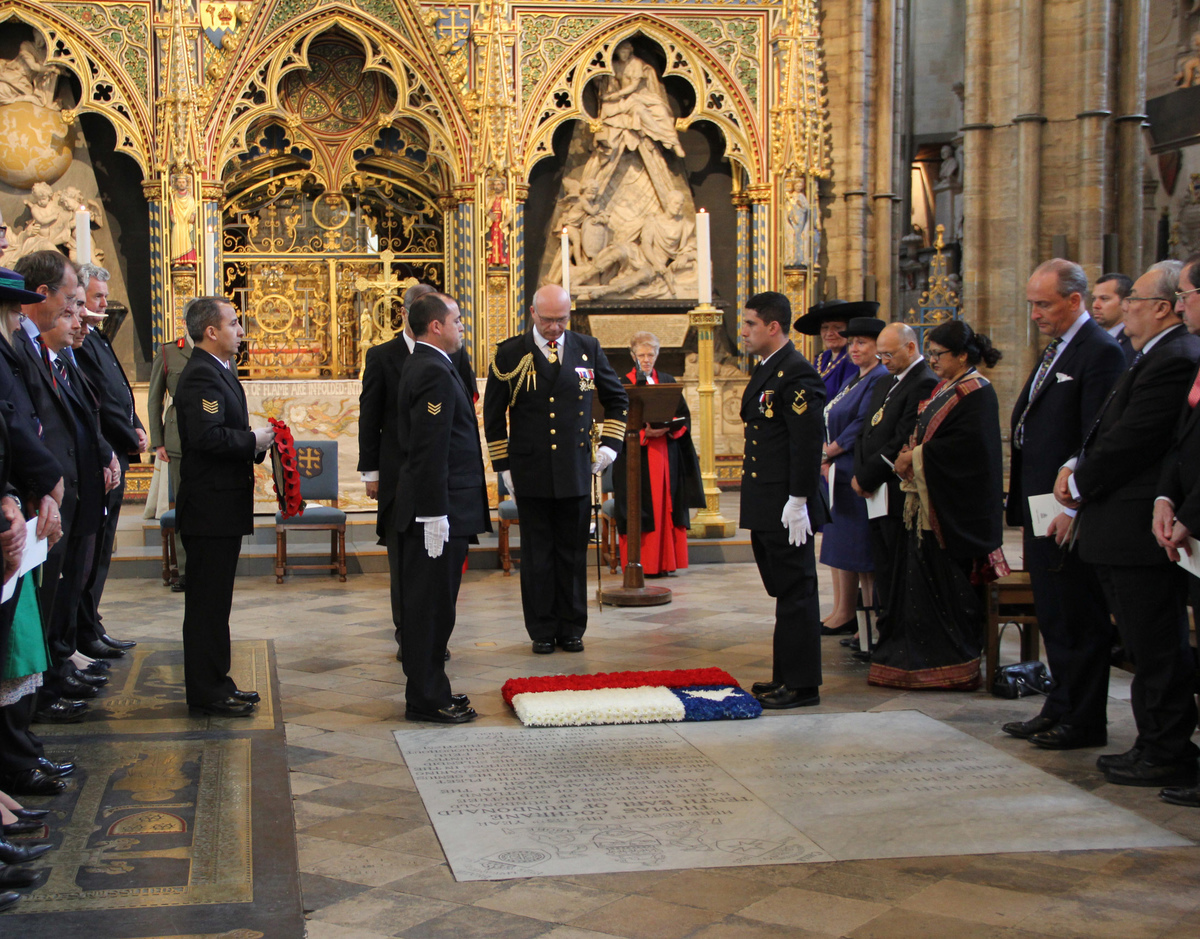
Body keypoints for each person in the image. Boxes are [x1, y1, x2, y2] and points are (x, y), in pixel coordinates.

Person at [1059, 261, 1200, 787]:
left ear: (1160, 308)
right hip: (1123, 520)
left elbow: (1136, 438)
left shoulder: (1175, 357)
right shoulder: (1153, 354)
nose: (1124, 308)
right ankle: (1153, 742)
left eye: (1133, 299)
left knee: (1156, 645)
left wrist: (1080, 482)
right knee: (1142, 645)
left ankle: (1166, 748)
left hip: (1136, 525)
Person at [1001, 259, 1126, 750]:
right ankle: (1059, 705)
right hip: (1040, 504)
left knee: (1078, 615)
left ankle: (1084, 719)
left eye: (1043, 304)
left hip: (1067, 506)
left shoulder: (1100, 350)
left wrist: (1074, 506)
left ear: (1075, 300)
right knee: (1053, 612)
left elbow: (1097, 433)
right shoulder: (1058, 348)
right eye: (1032, 304)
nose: (1035, 314)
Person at [483, 283, 628, 654]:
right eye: (547, 320)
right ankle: (542, 629)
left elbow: (617, 399)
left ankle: (572, 627)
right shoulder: (510, 352)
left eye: (561, 319)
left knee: (572, 552)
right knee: (537, 555)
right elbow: (493, 415)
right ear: (533, 313)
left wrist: (610, 446)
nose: (554, 327)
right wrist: (503, 466)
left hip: (574, 468)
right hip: (529, 469)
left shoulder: (587, 347)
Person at [870, 320, 1006, 691]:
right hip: (927, 506)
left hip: (955, 511)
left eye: (939, 354)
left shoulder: (977, 391)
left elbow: (967, 451)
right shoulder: (946, 387)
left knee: (947, 594)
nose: (932, 361)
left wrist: (915, 457)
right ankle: (917, 660)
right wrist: (910, 451)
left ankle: (953, 665)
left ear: (962, 355)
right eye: (930, 354)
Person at [12, 251, 115, 719]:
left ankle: (56, 668)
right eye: (71, 301)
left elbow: (83, 415)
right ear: (42, 295)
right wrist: (45, 482)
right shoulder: (23, 348)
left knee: (63, 586)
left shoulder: (51, 354)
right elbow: (27, 422)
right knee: (44, 594)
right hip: (45, 491)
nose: (78, 313)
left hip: (69, 487)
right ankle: (42, 686)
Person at [358, 282, 475, 661]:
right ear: (410, 314)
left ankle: (427, 641)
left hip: (434, 477)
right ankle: (410, 638)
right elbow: (371, 416)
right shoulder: (387, 356)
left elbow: (466, 401)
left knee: (433, 578)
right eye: (456, 320)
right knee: (408, 567)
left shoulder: (449, 355)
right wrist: (371, 471)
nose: (461, 327)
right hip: (402, 476)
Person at [174, 296, 275, 717]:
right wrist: (253, 440)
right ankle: (207, 691)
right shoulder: (202, 374)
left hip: (222, 507)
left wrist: (255, 442)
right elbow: (207, 437)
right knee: (206, 606)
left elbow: (223, 430)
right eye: (234, 323)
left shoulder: (220, 369)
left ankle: (217, 682)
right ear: (211, 331)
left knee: (216, 605)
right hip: (209, 509)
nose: (241, 331)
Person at [393, 293, 490, 723]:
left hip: (444, 505)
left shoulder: (434, 363)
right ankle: (427, 697)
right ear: (436, 326)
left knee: (437, 606)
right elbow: (429, 448)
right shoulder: (432, 369)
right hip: (436, 510)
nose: (462, 326)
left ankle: (431, 690)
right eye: (457, 319)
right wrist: (434, 512)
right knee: (430, 609)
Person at [738, 291, 828, 708]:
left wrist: (799, 500)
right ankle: (785, 676)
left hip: (788, 503)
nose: (743, 331)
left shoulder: (796, 373)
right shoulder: (770, 369)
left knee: (797, 591)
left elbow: (806, 443)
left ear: (773, 327)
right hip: (768, 501)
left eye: (750, 324)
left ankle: (802, 685)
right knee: (785, 590)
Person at [73, 263, 144, 658]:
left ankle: (92, 623)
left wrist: (136, 424)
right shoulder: (79, 342)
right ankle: (84, 630)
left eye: (103, 295)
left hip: (115, 451)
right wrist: (130, 434)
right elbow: (98, 396)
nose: (104, 303)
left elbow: (120, 391)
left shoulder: (96, 336)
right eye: (97, 296)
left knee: (101, 550)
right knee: (91, 550)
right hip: (103, 453)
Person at [851, 323, 937, 630]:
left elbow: (902, 438)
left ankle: (899, 629)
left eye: (889, 354)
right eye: (881, 354)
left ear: (911, 347)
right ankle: (885, 627)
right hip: (875, 488)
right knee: (882, 563)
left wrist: (867, 477)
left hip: (895, 488)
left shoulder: (924, 382)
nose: (884, 360)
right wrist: (860, 472)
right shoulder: (886, 381)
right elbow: (866, 431)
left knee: (896, 562)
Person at [1153, 251, 1200, 807]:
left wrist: (1190, 512)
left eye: (1185, 296)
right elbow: (1181, 442)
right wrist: (1168, 496)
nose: (1181, 306)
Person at [817, 317, 888, 639]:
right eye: (853, 342)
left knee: (861, 552)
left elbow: (862, 422)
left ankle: (869, 624)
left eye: (862, 342)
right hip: (839, 470)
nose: (854, 348)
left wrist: (830, 451)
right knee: (842, 547)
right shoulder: (856, 377)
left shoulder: (879, 377)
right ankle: (845, 612)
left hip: (854, 467)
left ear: (878, 347)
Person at [612, 331, 703, 576]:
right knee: (640, 507)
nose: (646, 359)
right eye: (641, 355)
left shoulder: (667, 380)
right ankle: (643, 563)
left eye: (650, 355)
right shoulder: (622, 383)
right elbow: (616, 419)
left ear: (657, 355)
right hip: (635, 455)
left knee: (666, 506)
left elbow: (683, 415)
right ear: (633, 355)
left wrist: (667, 428)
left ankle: (665, 562)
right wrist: (643, 433)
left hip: (665, 453)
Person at [147, 324, 193, 592]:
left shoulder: (221, 348)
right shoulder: (168, 352)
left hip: (215, 440)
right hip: (178, 440)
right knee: (184, 506)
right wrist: (158, 441)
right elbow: (155, 399)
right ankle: (185, 570)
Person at [794, 299, 876, 399]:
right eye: (825, 327)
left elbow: (847, 397)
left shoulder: (853, 359)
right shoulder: (822, 358)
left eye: (837, 327)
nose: (829, 333)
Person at [1091, 272, 1135, 363]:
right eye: (1094, 299)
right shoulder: (1092, 338)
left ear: (1126, 302)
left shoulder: (1134, 341)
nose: (1095, 305)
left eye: (1104, 299)